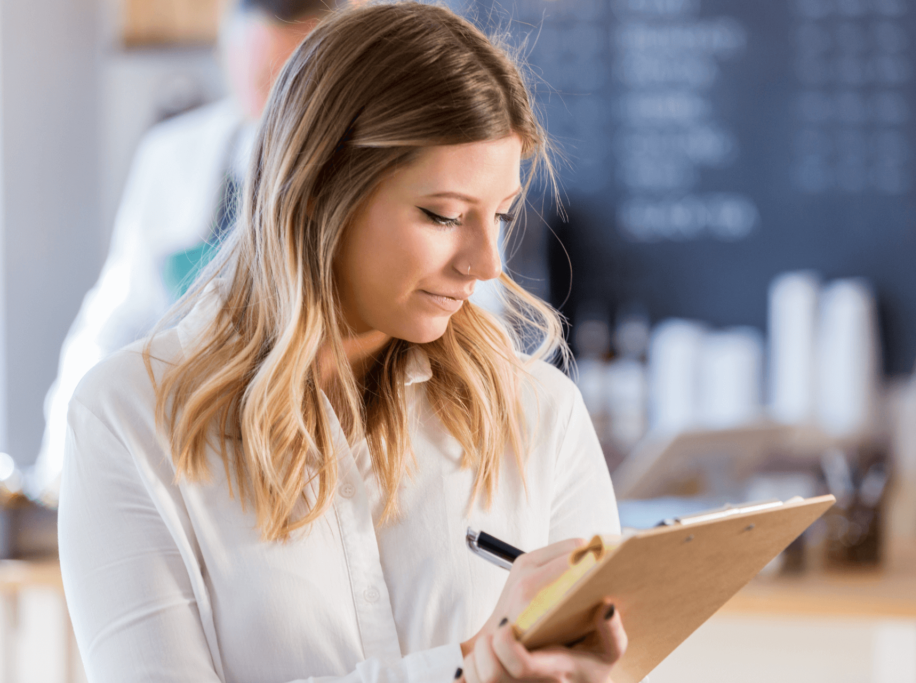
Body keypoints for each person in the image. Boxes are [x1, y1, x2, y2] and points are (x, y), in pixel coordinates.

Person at [58, 3, 628, 683]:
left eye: (498, 215)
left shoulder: (539, 412)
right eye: (443, 215)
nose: (484, 264)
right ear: (321, 191)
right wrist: (467, 670)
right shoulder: (131, 421)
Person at [30, 0, 337, 504]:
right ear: (228, 58)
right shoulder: (172, 155)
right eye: (262, 80)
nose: (278, 99)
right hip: (182, 446)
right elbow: (121, 314)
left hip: (302, 447)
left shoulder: (367, 164)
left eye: (296, 76)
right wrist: (62, 460)